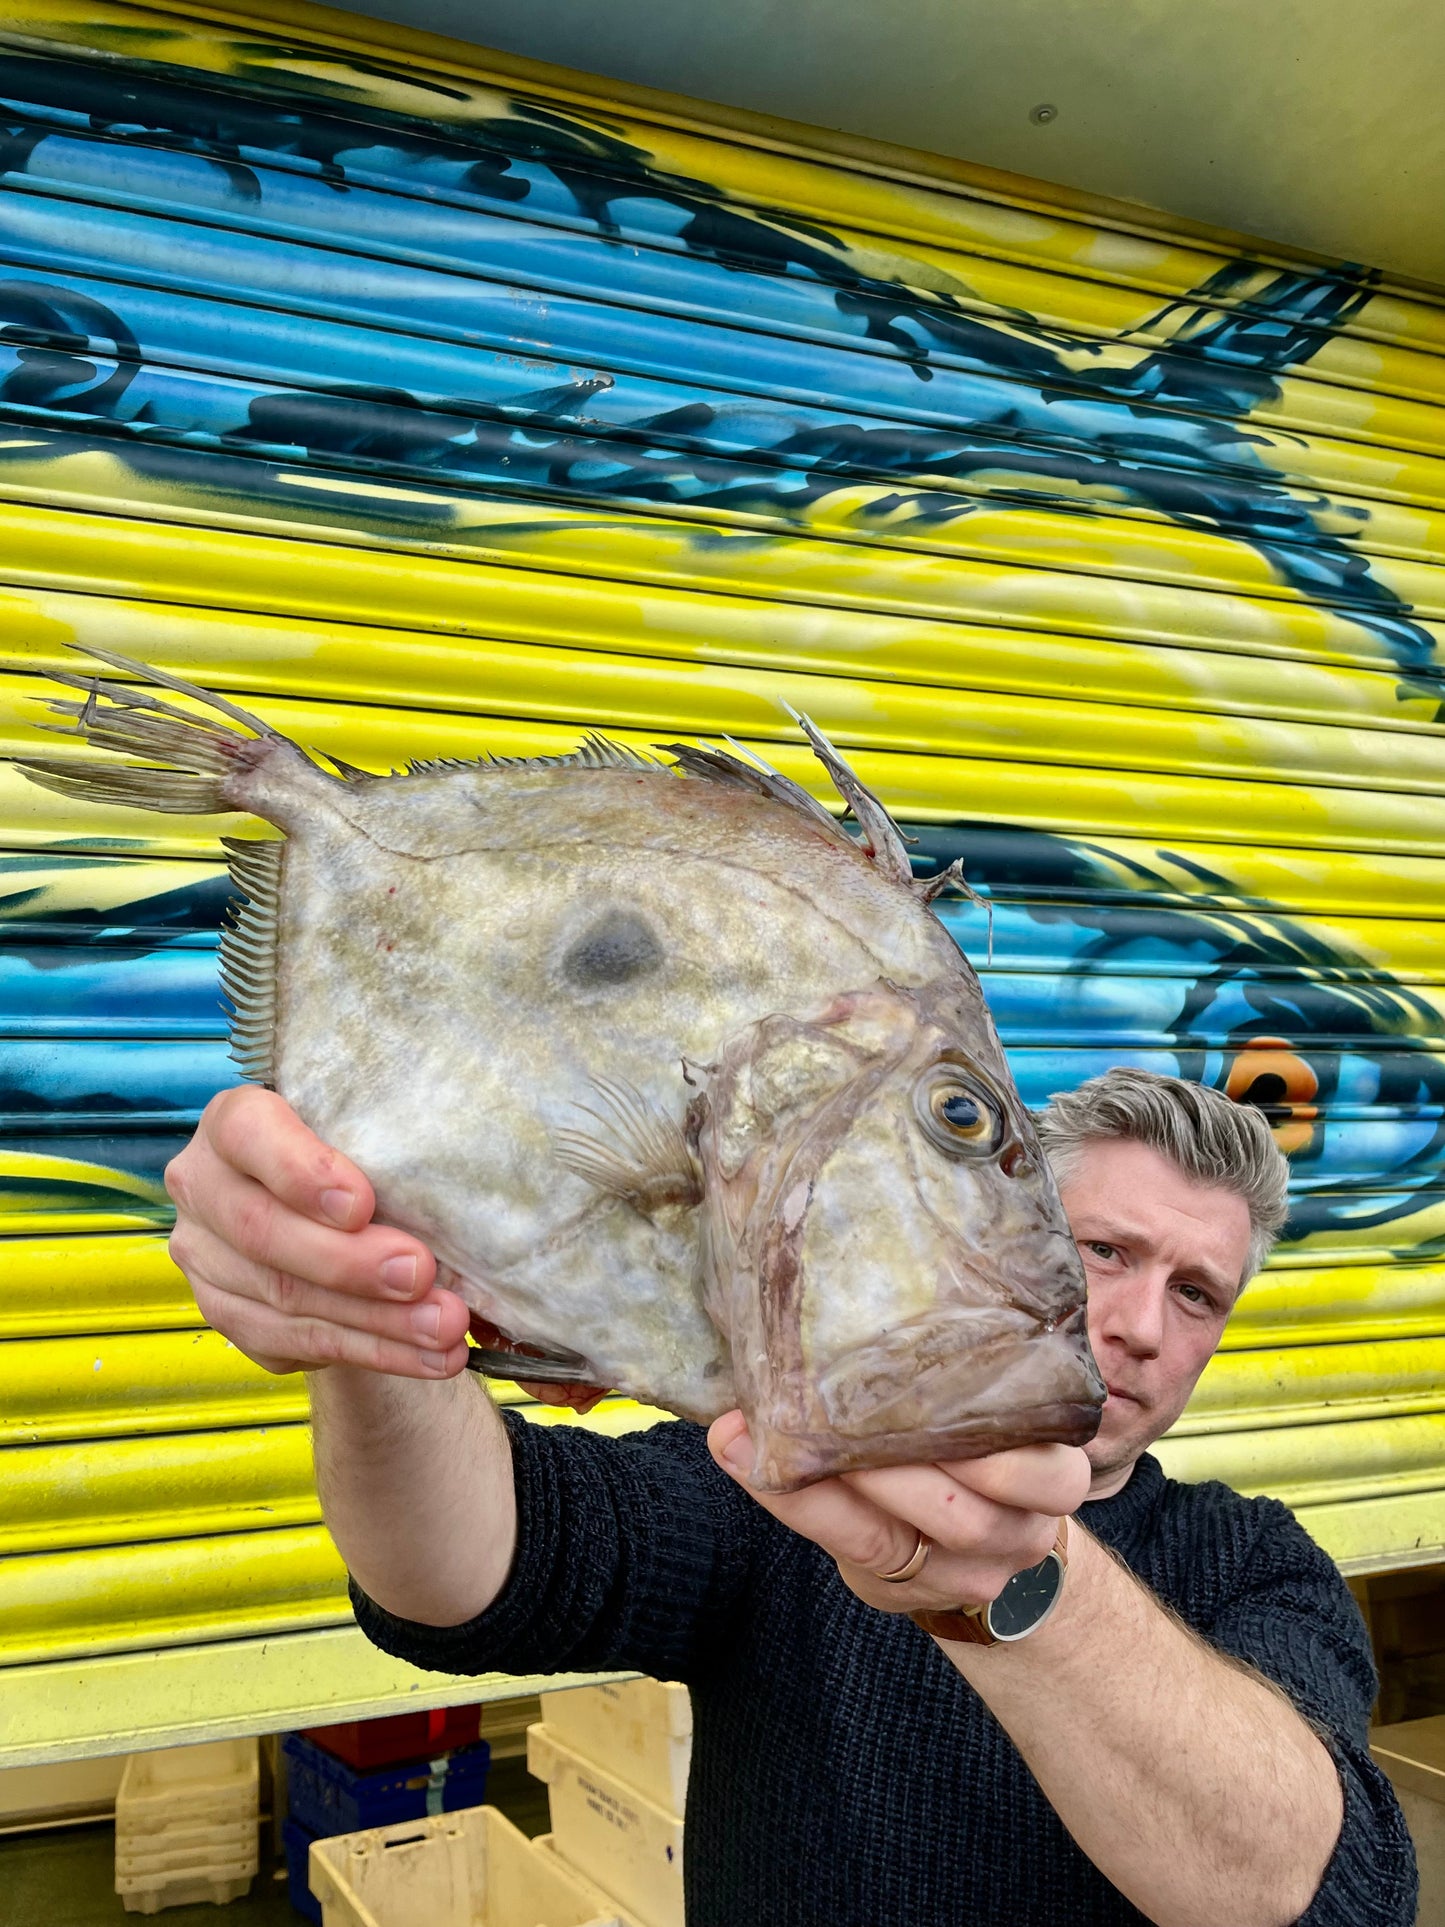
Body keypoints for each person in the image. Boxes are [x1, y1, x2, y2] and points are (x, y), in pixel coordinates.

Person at [166, 1067, 1417, 1926]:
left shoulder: (1257, 1563)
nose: (1138, 1325)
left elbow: (1310, 1890)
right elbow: (467, 1571)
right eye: (1103, 1252)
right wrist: (373, 1330)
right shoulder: (788, 1484)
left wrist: (1013, 1582)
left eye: (1196, 1293)